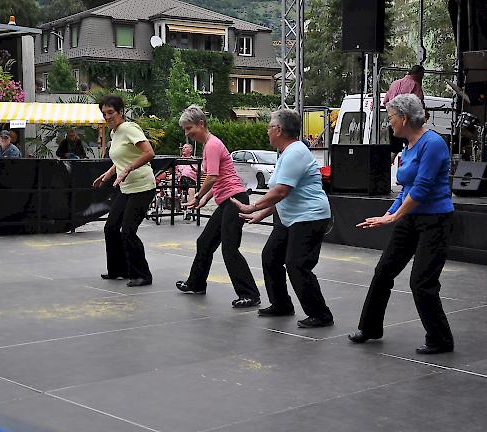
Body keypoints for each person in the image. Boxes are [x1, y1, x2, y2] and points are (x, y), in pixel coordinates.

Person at [348, 94, 455, 355]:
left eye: (392, 118)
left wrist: (394, 217)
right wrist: (389, 213)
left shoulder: (433, 144)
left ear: (405, 118)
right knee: (383, 271)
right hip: (411, 218)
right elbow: (405, 189)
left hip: (435, 220)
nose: (390, 123)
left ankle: (441, 338)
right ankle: (370, 327)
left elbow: (422, 188)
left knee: (421, 282)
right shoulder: (408, 146)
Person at [232, 109, 334, 328]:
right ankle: (281, 304)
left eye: (269, 126)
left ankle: (321, 314)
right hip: (290, 218)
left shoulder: (296, 152)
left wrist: (253, 206)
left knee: (297, 264)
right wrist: (262, 213)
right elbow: (282, 194)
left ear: (279, 129)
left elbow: (281, 191)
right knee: (271, 257)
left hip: (309, 217)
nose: (267, 131)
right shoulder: (286, 153)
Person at [175, 105, 260, 308]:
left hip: (235, 201)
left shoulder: (212, 145)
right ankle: (196, 283)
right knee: (205, 242)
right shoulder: (209, 145)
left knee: (230, 249)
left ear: (201, 124)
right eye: (185, 130)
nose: (187, 134)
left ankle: (250, 294)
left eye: (189, 128)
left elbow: (212, 177)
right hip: (228, 201)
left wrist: (198, 197)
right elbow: (219, 178)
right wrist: (204, 199)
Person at [93, 95, 156, 287]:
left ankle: (142, 275)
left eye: (110, 112)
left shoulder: (129, 128)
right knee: (111, 228)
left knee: (128, 230)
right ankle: (117, 270)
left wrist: (128, 169)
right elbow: (121, 159)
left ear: (120, 111)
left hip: (143, 186)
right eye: (104, 113)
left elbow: (149, 153)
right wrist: (109, 173)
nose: (107, 116)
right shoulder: (114, 133)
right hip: (126, 187)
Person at [383, 65, 426, 153]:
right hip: (407, 122)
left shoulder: (394, 83)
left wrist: (394, 114)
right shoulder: (415, 85)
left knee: (394, 151)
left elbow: (385, 102)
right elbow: (418, 105)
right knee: (413, 147)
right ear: (419, 75)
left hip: (393, 121)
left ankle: (386, 167)